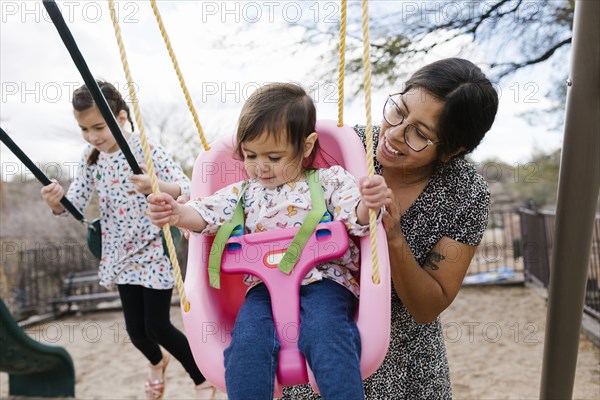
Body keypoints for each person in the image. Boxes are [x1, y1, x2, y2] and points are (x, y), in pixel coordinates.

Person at [147, 82, 389, 400]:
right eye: (250, 155)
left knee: (327, 334)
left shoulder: (329, 180)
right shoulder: (244, 193)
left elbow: (354, 215)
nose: (260, 166)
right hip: (263, 291)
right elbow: (205, 213)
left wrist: (368, 203)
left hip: (325, 282)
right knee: (246, 344)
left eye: (274, 157)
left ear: (305, 147)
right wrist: (178, 213)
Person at [282, 58, 499, 399]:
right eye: (398, 110)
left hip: (404, 369)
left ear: (452, 150)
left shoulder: (465, 192)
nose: (395, 134)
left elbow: (428, 306)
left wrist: (393, 237)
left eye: (419, 134)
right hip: (316, 356)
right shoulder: (344, 148)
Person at [40, 81, 218, 400]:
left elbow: (184, 186)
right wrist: (56, 201)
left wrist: (155, 184)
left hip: (153, 248)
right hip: (120, 255)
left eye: (99, 127)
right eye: (84, 129)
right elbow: (76, 204)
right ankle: (157, 361)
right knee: (137, 333)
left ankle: (201, 378)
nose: (93, 136)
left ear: (121, 118)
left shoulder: (143, 149)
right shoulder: (90, 157)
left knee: (158, 325)